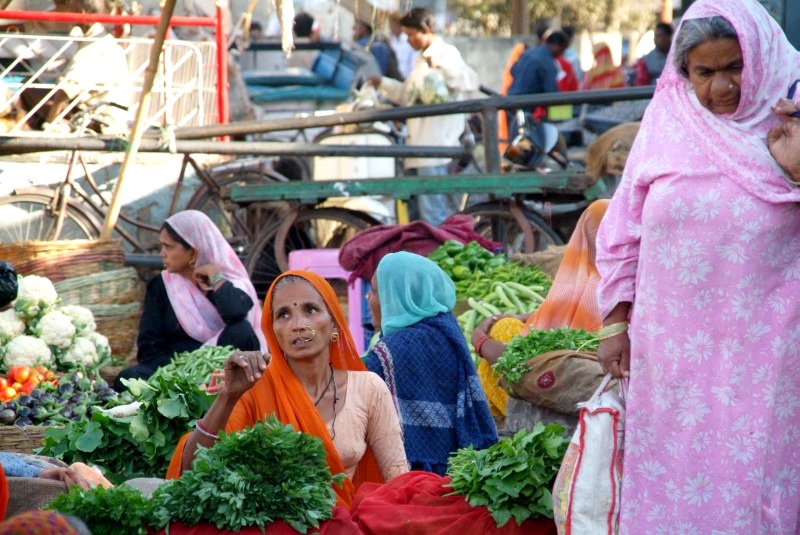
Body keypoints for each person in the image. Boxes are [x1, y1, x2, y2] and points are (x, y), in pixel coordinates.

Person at [594, 0, 800, 531]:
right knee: (674, 477)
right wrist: (615, 321)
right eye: (704, 72)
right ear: (683, 71)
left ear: (760, 57)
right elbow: (624, 227)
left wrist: (798, 174)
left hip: (767, 352)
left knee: (757, 479)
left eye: (735, 67)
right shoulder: (669, 120)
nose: (722, 87)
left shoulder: (793, 113)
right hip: (672, 355)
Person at [167, 270, 408, 507]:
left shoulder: (368, 388)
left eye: (310, 310)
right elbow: (192, 472)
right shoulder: (253, 388)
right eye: (284, 315)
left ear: (334, 324)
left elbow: (397, 479)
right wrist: (228, 396)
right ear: (273, 332)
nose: (298, 325)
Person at [364, 252, 497, 476]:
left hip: (409, 473)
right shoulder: (445, 328)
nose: (369, 297)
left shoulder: (386, 353)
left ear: (399, 296)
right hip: (458, 467)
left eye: (376, 291)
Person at [115, 210, 267, 391]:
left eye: (168, 247)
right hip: (175, 371)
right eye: (161, 246)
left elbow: (236, 314)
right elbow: (149, 348)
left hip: (223, 368)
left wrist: (216, 278)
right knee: (127, 378)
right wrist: (182, 371)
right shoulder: (161, 286)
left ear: (193, 253)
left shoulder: (229, 283)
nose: (162, 253)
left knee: (242, 330)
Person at [368, 7, 479, 227]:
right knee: (416, 215)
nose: (408, 40)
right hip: (418, 146)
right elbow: (408, 95)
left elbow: (469, 81)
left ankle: (437, 259)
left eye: (411, 35)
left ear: (425, 30)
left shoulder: (445, 54)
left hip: (436, 148)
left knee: (433, 213)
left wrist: (441, 65)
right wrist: (383, 84)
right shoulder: (421, 59)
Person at [16, 0, 130, 133]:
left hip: (100, 118)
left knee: (29, 87)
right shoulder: (101, 39)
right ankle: (42, 124)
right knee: (31, 87)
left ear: (82, 13)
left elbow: (68, 86)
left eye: (71, 10)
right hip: (99, 109)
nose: (68, 14)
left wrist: (51, 122)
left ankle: (46, 126)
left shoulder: (95, 45)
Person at [506, 30, 569, 123]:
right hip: (525, 108)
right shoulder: (547, 62)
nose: (562, 54)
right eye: (562, 49)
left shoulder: (527, 53)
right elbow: (552, 93)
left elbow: (512, 70)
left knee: (514, 135)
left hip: (510, 104)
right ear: (556, 45)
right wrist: (564, 117)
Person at [632, 22, 673, 86]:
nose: (655, 39)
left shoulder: (678, 57)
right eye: (655, 36)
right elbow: (641, 85)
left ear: (668, 37)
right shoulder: (645, 61)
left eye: (659, 36)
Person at [387, 12, 418, 80]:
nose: (390, 27)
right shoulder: (390, 39)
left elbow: (413, 62)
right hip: (393, 76)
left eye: (391, 24)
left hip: (406, 77)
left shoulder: (408, 39)